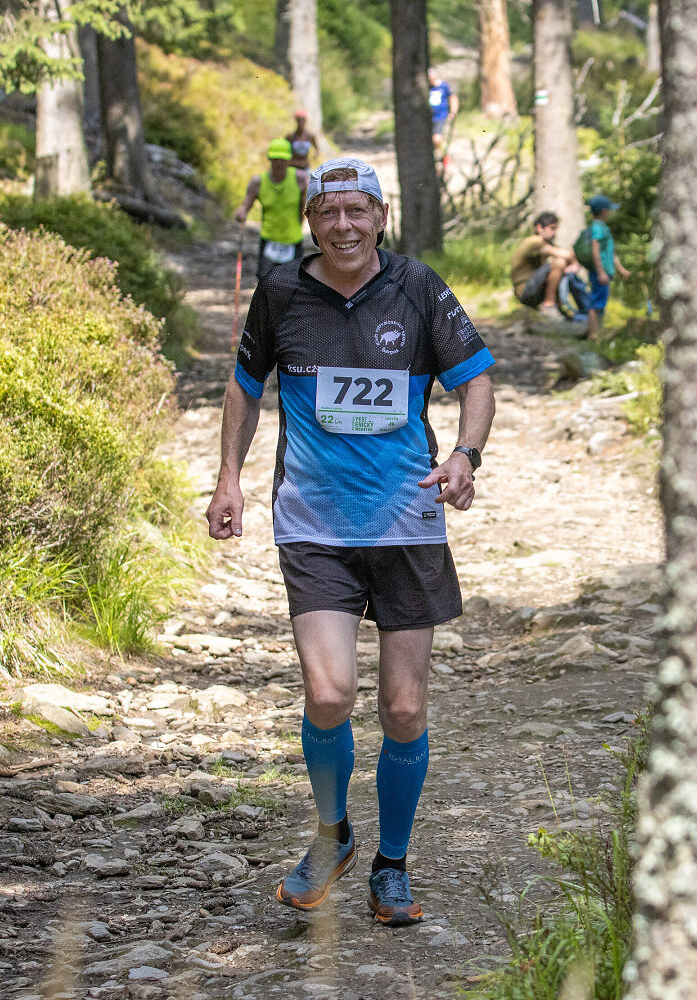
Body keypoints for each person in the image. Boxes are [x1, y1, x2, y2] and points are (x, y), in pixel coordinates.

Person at [207, 157, 495, 928]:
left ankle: (391, 864)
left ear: (380, 217)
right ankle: (332, 834)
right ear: (310, 222)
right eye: (328, 212)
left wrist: (465, 455)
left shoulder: (418, 287)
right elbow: (244, 386)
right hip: (315, 525)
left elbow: (475, 379)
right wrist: (229, 478)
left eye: (356, 210)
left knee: (403, 707)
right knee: (330, 693)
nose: (343, 225)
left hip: (407, 523)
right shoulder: (281, 292)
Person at [235, 138, 308, 277]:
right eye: (275, 159)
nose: (279, 163)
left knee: (294, 283)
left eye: (283, 159)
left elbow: (307, 206)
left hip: (293, 240)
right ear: (269, 159)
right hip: (269, 240)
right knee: (266, 282)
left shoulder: (300, 179)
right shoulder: (258, 182)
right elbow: (245, 206)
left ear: (289, 160)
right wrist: (241, 213)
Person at [510, 211, 581, 320]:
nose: (554, 233)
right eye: (552, 228)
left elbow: (569, 254)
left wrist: (573, 264)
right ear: (539, 228)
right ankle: (549, 305)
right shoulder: (534, 241)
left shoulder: (545, 243)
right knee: (559, 263)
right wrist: (573, 263)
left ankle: (558, 306)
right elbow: (566, 254)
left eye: (556, 229)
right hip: (525, 290)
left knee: (560, 267)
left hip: (533, 289)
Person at [583, 194, 631, 339]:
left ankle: (596, 331)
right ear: (604, 211)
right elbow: (595, 250)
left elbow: (611, 252)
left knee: (600, 302)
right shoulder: (597, 228)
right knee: (596, 302)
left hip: (604, 271)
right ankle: (593, 334)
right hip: (600, 271)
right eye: (609, 210)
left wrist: (620, 269)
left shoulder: (602, 228)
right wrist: (600, 271)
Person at [428, 69, 459, 165]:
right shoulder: (428, 87)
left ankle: (446, 154)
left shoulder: (444, 86)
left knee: (437, 138)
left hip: (440, 116)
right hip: (429, 117)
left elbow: (453, 98)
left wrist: (453, 112)